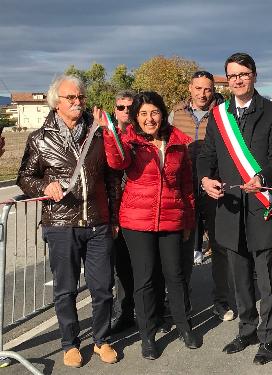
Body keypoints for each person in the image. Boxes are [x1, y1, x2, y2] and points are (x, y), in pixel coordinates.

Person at [17, 75, 121, 368]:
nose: (78, 102)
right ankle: (70, 344)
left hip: (98, 222)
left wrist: (113, 217)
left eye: (81, 97)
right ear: (56, 101)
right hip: (61, 224)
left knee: (102, 287)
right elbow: (25, 177)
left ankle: (102, 340)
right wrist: (42, 188)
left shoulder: (99, 133)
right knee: (66, 289)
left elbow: (112, 177)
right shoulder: (40, 137)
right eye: (71, 98)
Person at [198, 52, 272, 365]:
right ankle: (247, 328)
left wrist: (263, 176)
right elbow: (206, 156)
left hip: (261, 208)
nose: (237, 80)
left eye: (243, 74)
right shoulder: (219, 115)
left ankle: (268, 337)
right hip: (231, 209)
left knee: (267, 279)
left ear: (254, 75)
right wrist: (205, 179)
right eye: (232, 75)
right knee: (239, 279)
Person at [100, 91, 201, 360]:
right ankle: (148, 334)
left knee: (175, 275)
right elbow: (116, 161)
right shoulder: (129, 142)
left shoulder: (178, 142)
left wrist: (189, 220)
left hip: (172, 218)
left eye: (154, 112)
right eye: (143, 114)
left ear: (163, 113)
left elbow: (187, 186)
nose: (149, 118)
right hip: (137, 221)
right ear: (136, 117)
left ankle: (183, 325)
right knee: (144, 280)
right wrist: (110, 136)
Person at [169, 71, 233, 322]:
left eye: (207, 89)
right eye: (198, 88)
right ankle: (181, 302)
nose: (202, 94)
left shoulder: (224, 114)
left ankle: (221, 300)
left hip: (215, 189)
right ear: (190, 88)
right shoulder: (176, 114)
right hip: (184, 189)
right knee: (182, 247)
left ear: (213, 90)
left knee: (219, 247)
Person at [110, 90, 136, 334]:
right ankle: (125, 313)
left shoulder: (143, 133)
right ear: (115, 109)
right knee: (122, 267)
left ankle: (153, 311)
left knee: (148, 265)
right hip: (116, 209)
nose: (126, 111)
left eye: (130, 106)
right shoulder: (104, 134)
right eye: (121, 107)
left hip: (139, 208)